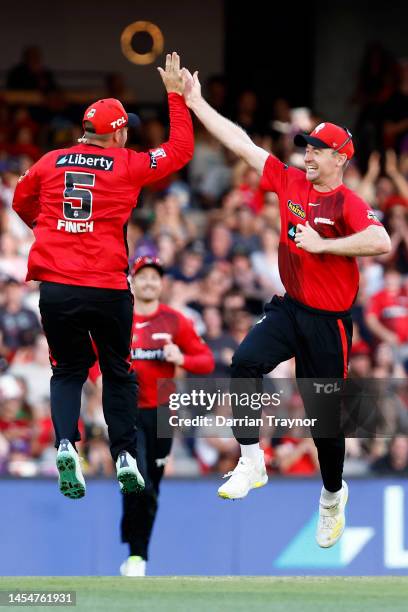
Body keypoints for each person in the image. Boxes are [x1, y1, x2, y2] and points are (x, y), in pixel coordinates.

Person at [181, 68, 391, 548]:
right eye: (307, 146)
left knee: (324, 422)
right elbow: (242, 145)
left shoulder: (348, 203)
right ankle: (252, 459)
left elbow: (380, 239)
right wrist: (196, 104)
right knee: (244, 362)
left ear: (340, 157)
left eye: (317, 148)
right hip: (290, 308)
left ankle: (333, 496)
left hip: (329, 322)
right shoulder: (291, 180)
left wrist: (324, 245)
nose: (308, 153)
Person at [12, 52, 194, 500]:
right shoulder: (128, 164)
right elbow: (180, 151)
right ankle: (126, 454)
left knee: (68, 370)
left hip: (57, 289)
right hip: (109, 289)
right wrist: (174, 96)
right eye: (125, 127)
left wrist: (49, 227)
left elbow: (20, 199)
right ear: (116, 132)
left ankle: (65, 444)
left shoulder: (50, 162)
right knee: (118, 372)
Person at [120, 256, 214, 576]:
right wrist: (100, 379)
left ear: (162, 284)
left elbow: (207, 361)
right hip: (127, 411)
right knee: (139, 479)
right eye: (142, 276)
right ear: (132, 280)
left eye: (154, 277)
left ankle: (134, 541)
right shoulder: (120, 318)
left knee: (151, 489)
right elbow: (92, 356)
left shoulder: (175, 321)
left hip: (162, 412)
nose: (148, 282)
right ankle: (137, 556)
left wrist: (182, 357)